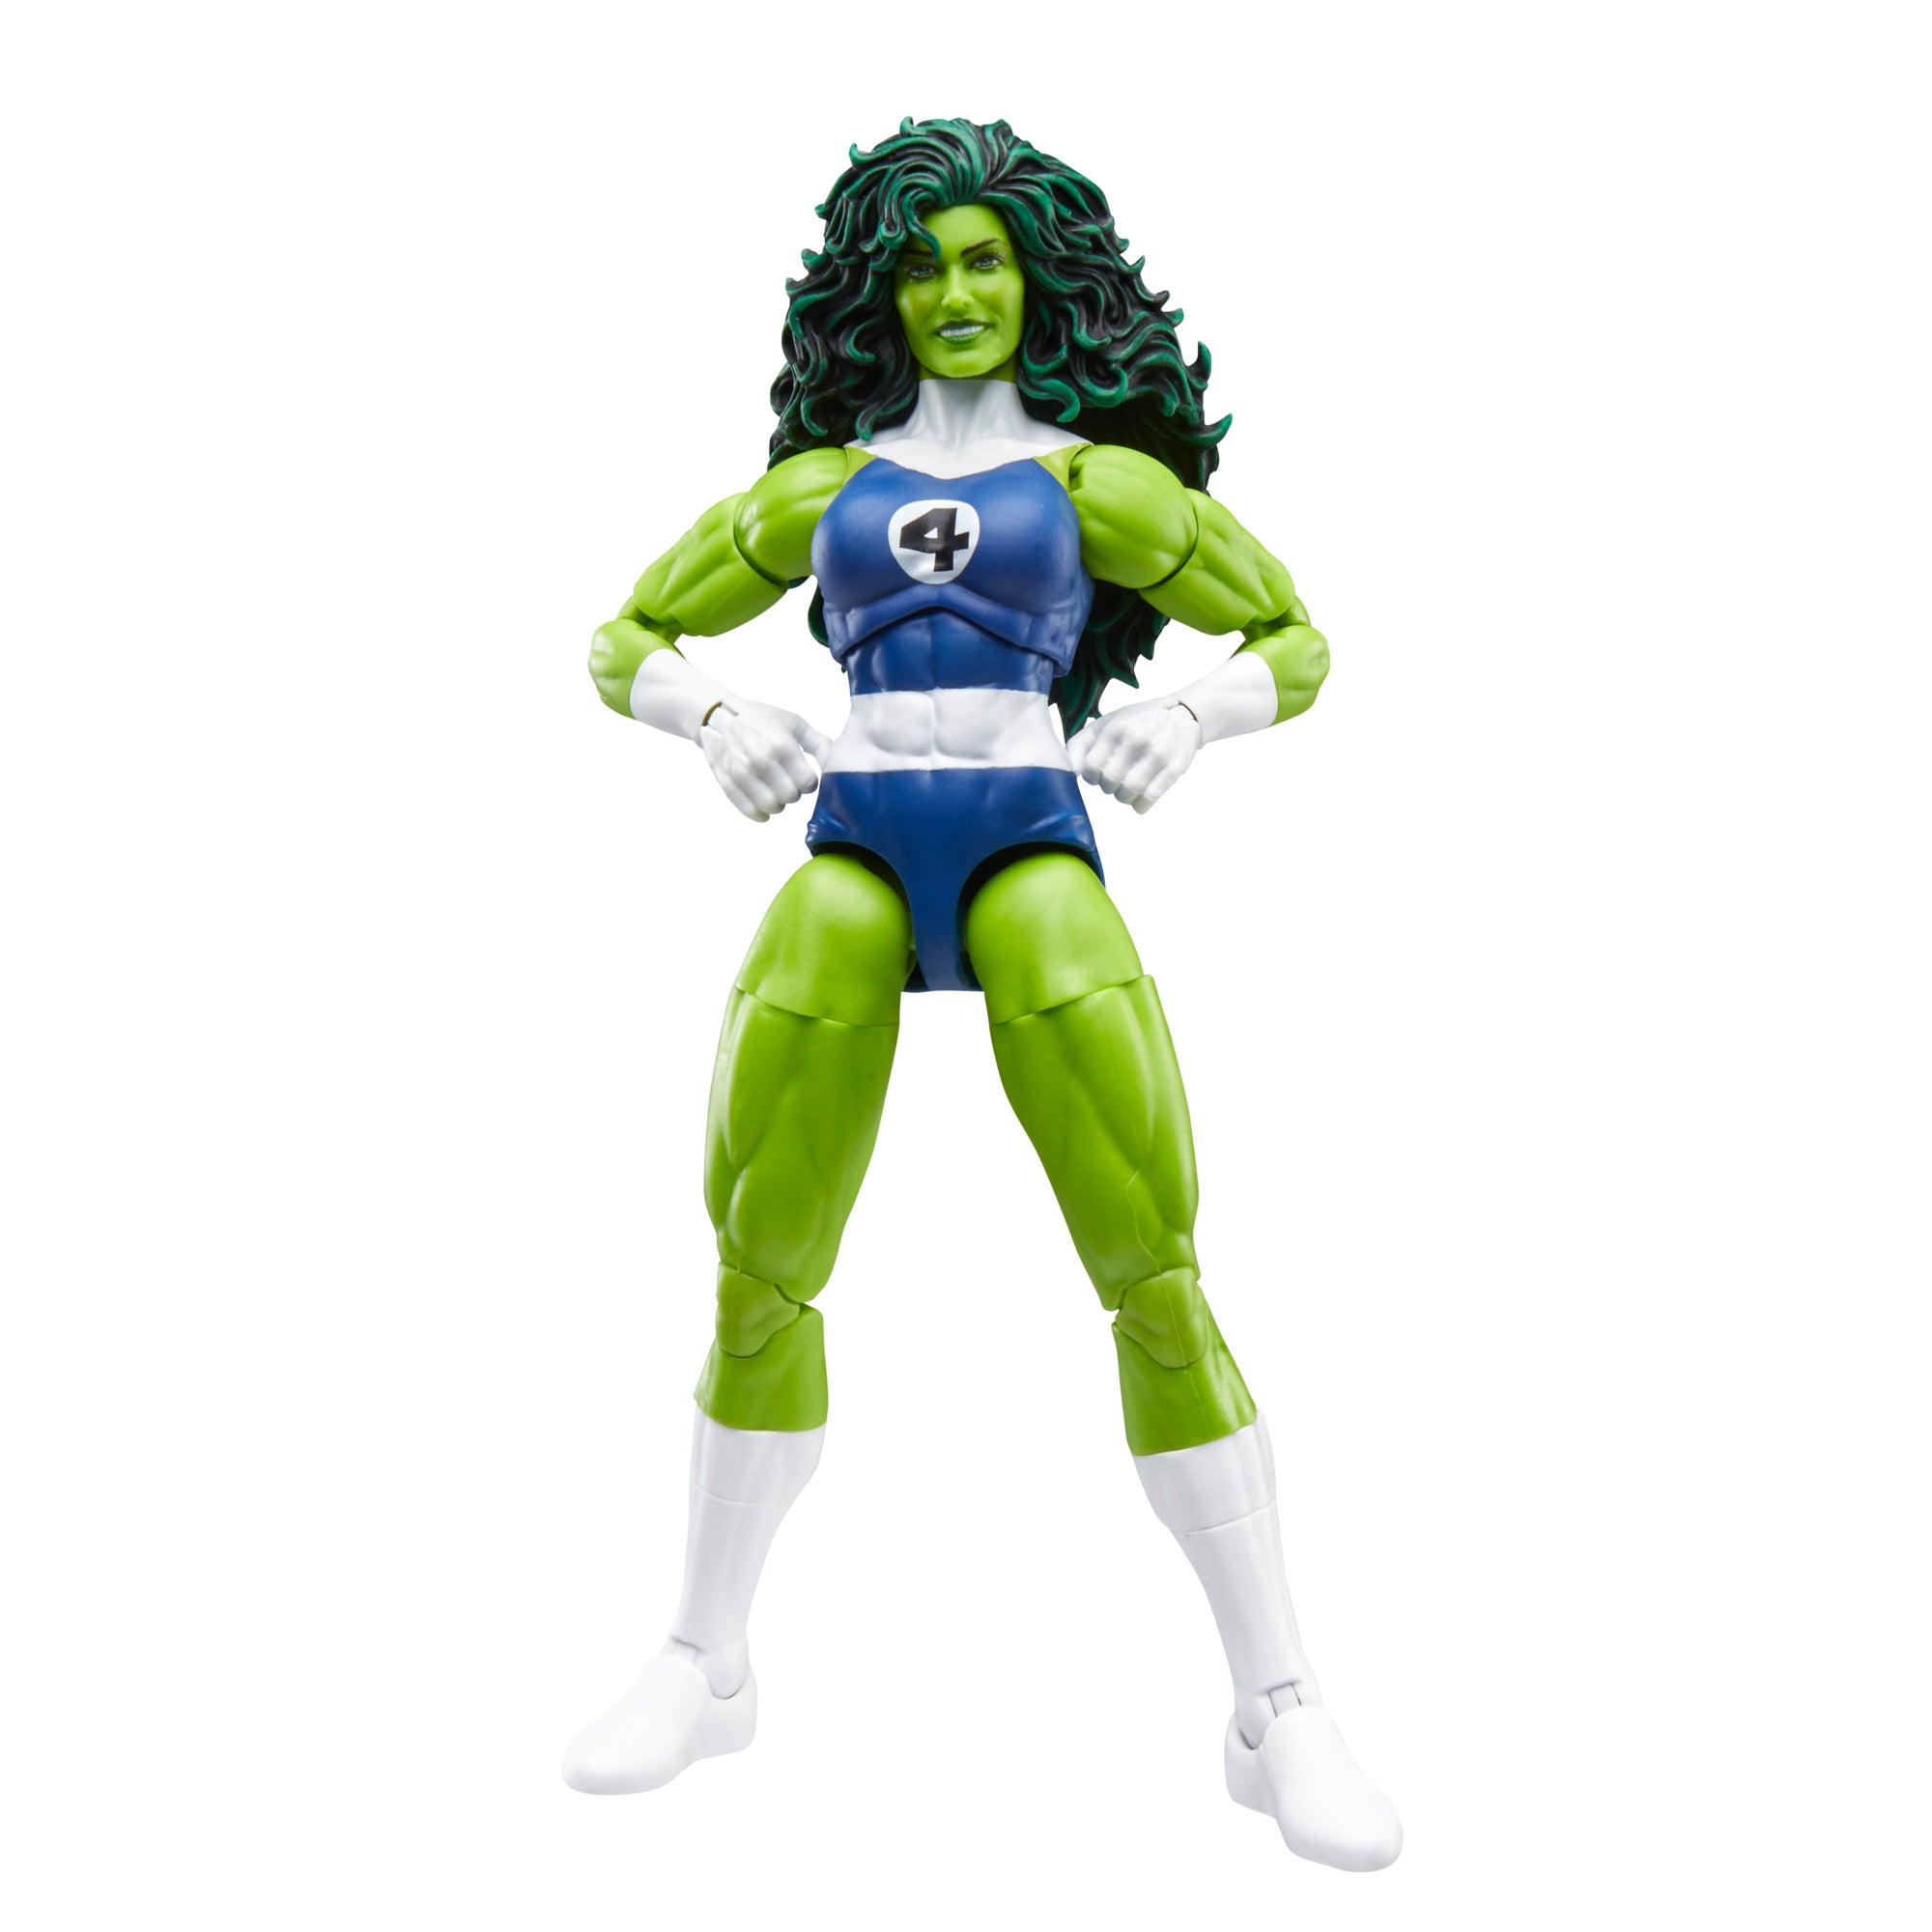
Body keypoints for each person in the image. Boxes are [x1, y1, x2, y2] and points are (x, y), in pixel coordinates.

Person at [563, 117, 1401, 1873]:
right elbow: (624, 638)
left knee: (1153, 1264)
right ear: (881, 289)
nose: (954, 292)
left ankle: (1277, 1699)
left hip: (1026, 835)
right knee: (757, 1258)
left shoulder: (1099, 487)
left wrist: (1196, 714)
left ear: (1035, 279)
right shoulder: (820, 489)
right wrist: (714, 716)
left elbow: (1297, 641)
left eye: (984, 260)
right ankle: (708, 1658)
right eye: (923, 264)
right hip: (859, 841)